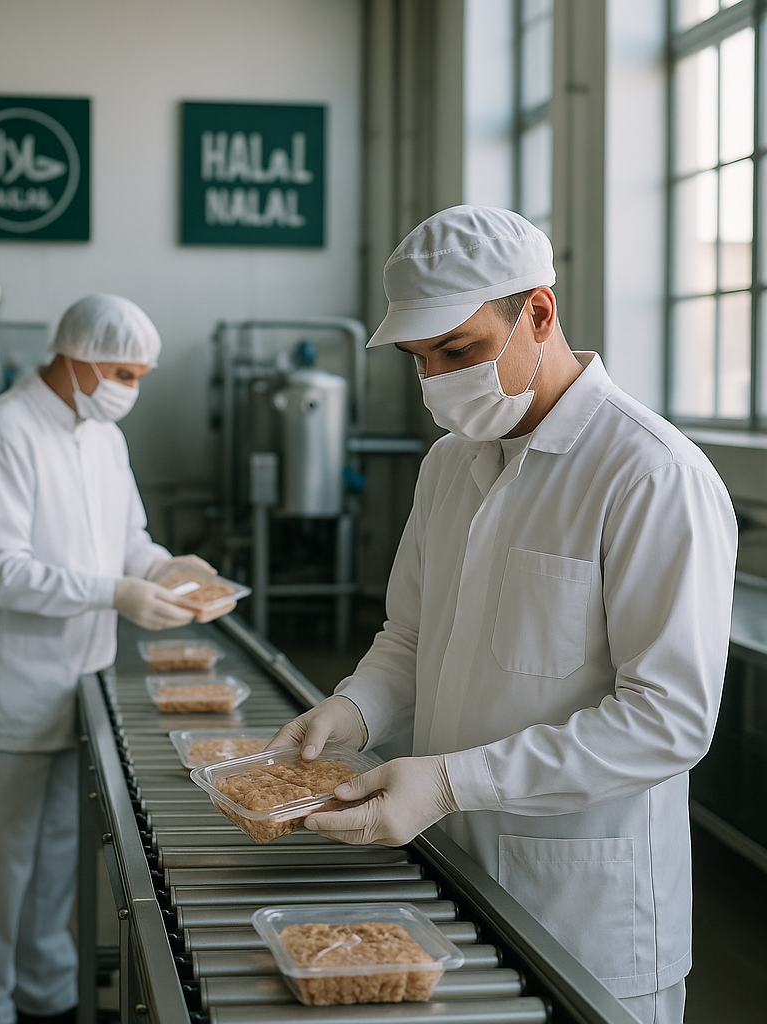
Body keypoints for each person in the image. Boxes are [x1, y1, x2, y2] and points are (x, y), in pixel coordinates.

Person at [270, 206, 737, 1024]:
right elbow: (411, 637)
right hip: (452, 876)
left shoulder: (651, 474)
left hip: (586, 912)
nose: (440, 379)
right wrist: (354, 709)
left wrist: (454, 780)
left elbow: (670, 720)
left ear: (541, 313)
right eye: (421, 360)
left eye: (460, 350)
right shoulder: (449, 465)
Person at [0, 293, 228, 1024]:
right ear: (75, 356)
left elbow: (128, 536)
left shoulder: (101, 437)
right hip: (6, 694)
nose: (129, 389)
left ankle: (47, 1001)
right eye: (122, 372)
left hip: (80, 687)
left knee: (53, 869)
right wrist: (115, 592)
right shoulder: (2, 432)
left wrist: (167, 570)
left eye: (138, 375)